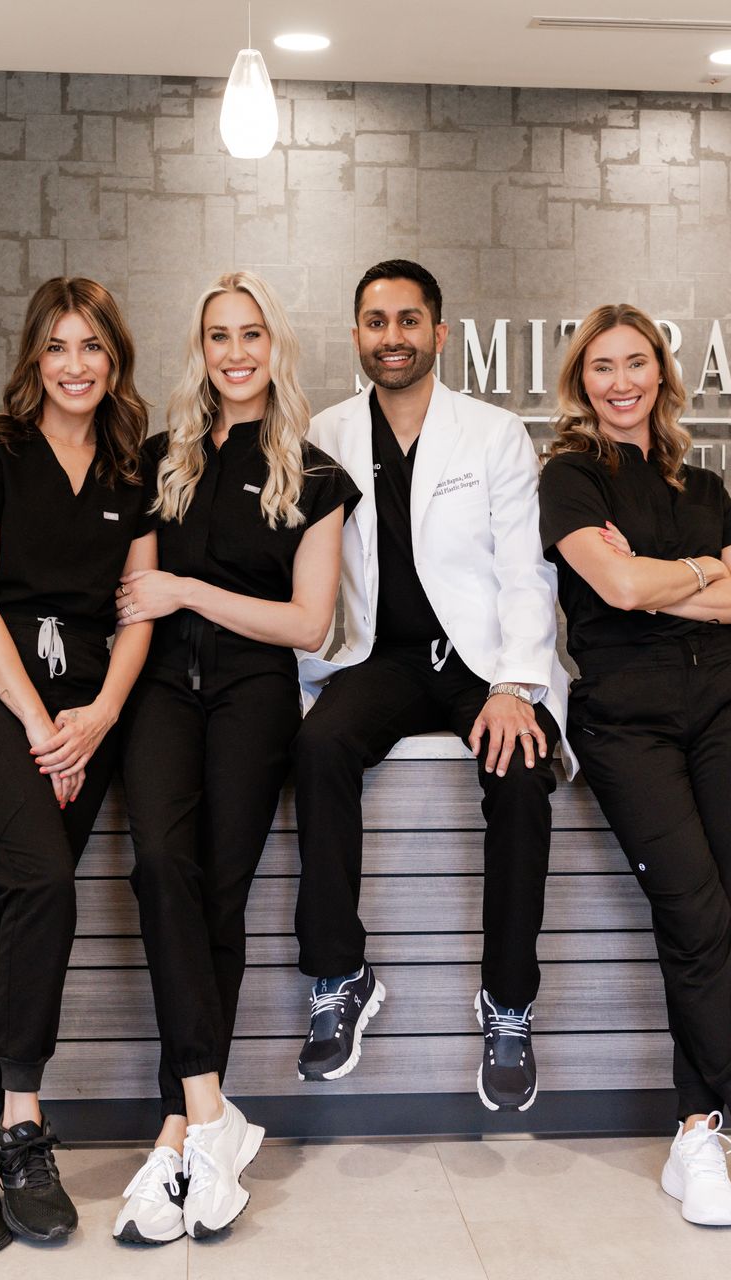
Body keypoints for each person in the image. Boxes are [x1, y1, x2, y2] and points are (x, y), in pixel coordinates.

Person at [537, 303, 731, 1240]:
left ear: (661, 374)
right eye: (603, 368)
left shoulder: (702, 483)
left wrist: (673, 572)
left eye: (638, 364)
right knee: (697, 910)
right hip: (630, 722)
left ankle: (693, 1132)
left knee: (723, 908)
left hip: (729, 713)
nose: (621, 382)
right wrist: (702, 579)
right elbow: (613, 590)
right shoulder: (569, 479)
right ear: (583, 382)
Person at [108, 272, 356, 1242]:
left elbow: (308, 623)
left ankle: (179, 1133)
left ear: (275, 346)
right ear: (200, 350)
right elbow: (131, 594)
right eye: (218, 335)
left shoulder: (317, 473)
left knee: (218, 894)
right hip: (164, 692)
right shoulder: (158, 459)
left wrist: (191, 592)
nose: (236, 351)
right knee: (161, 866)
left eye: (251, 334)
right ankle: (210, 1111)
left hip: (256, 696)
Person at [0, 277, 156, 1258]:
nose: (75, 364)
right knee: (44, 880)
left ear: (115, 358)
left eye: (92, 345)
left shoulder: (133, 463)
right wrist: (39, 725)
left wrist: (93, 719)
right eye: (58, 346)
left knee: (26, 897)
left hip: (84, 711)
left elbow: (138, 610)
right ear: (34, 357)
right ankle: (22, 1123)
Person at [292, 259, 570, 1113]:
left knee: (519, 775)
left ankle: (509, 1003)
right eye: (376, 322)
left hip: (479, 661)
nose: (393, 338)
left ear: (440, 334)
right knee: (319, 745)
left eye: (409, 321)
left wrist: (517, 685)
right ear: (356, 337)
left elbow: (528, 571)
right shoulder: (323, 434)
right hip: (377, 657)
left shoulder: (492, 435)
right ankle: (340, 975)